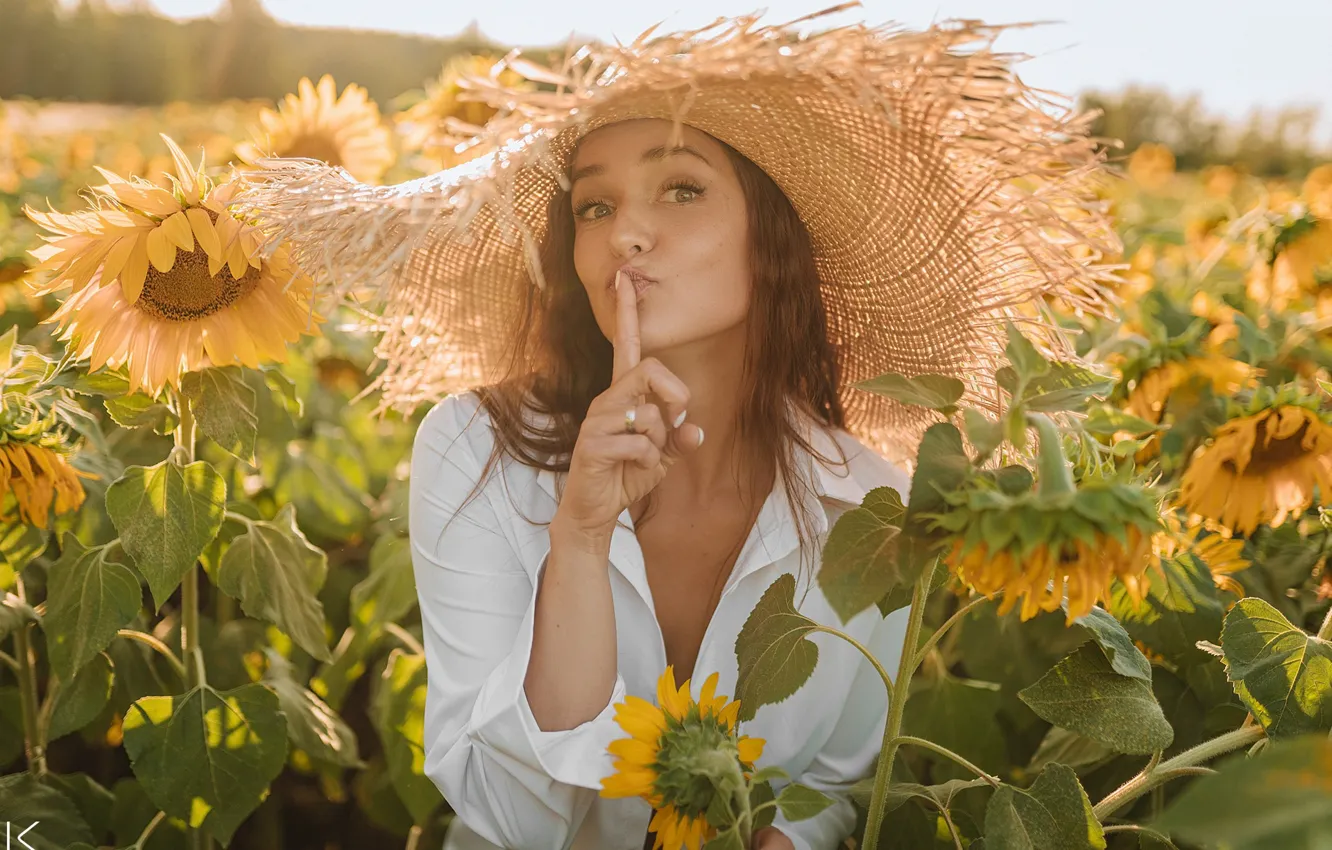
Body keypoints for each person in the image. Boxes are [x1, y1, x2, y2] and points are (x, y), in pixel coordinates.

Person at [236, 8, 1118, 849]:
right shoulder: (475, 451)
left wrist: (796, 835)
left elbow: (839, 780)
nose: (627, 235)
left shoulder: (872, 504)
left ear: (769, 237)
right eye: (594, 207)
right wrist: (578, 538)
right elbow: (512, 819)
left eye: (682, 188)